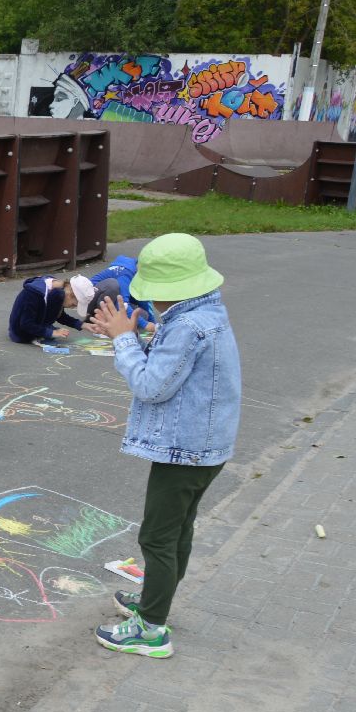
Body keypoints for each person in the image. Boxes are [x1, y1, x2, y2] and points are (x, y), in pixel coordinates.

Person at [88, 233, 240, 659]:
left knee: (157, 536)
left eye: (153, 294)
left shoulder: (187, 327)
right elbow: (175, 362)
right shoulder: (206, 313)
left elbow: (151, 386)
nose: (150, 302)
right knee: (177, 530)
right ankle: (157, 599)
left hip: (184, 449)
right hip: (205, 446)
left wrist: (123, 339)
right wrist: (134, 334)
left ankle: (151, 628)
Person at [79, 255, 154, 330]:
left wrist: (152, 323)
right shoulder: (125, 274)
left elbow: (143, 299)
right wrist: (145, 325)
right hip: (89, 300)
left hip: (111, 299)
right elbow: (123, 305)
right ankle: (102, 321)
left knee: (143, 315)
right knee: (112, 285)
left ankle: (100, 319)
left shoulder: (137, 273)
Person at [7, 273, 83, 345]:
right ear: (70, 294)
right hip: (20, 333)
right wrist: (52, 333)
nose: (72, 307)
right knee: (51, 333)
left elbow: (59, 315)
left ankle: (44, 330)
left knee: (53, 332)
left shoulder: (57, 290)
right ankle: (41, 332)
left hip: (34, 324)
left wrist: (81, 324)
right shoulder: (33, 294)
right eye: (73, 304)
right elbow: (26, 324)